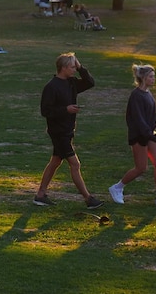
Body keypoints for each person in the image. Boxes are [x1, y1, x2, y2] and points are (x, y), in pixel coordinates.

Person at [34, 52, 104, 209]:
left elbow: (90, 82)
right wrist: (66, 109)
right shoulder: (51, 87)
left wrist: (81, 67)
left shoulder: (71, 83)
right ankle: (88, 198)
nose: (74, 70)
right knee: (75, 163)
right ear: (63, 68)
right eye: (72, 67)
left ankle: (40, 195)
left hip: (67, 130)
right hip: (58, 132)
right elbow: (46, 111)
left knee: (55, 161)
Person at [109, 64, 156, 207]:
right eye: (151, 76)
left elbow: (147, 116)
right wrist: (149, 134)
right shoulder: (136, 95)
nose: (154, 79)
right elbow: (138, 119)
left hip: (149, 134)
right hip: (140, 136)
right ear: (143, 78)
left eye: (154, 76)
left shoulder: (147, 94)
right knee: (141, 168)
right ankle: (117, 187)